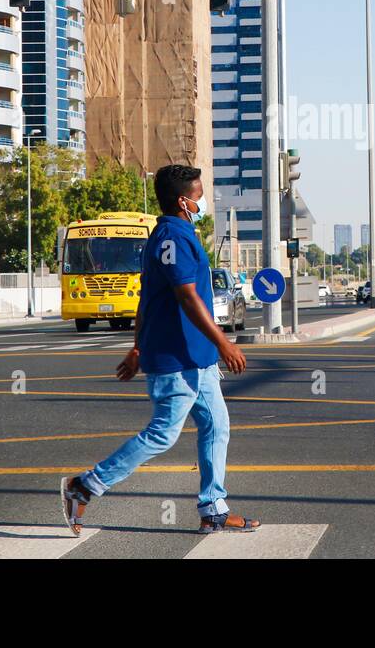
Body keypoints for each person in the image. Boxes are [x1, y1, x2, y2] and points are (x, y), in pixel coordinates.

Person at [60, 164, 259, 536]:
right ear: (184, 201)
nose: (202, 204)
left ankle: (213, 509)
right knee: (163, 433)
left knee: (217, 426)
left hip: (196, 358)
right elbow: (187, 296)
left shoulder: (167, 235)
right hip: (175, 358)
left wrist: (137, 348)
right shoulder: (173, 237)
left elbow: (146, 299)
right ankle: (84, 485)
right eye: (199, 197)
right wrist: (224, 341)